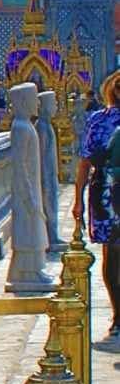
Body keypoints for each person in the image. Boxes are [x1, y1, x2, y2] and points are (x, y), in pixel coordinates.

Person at [73, 69, 120, 341]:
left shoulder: (98, 120)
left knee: (112, 254)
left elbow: (84, 163)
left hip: (106, 192)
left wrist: (78, 199)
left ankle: (117, 315)